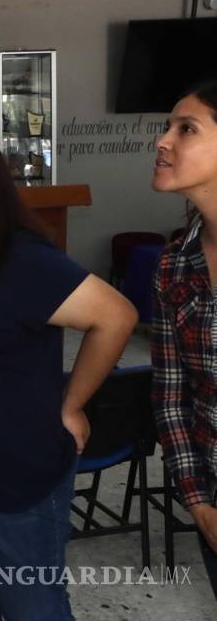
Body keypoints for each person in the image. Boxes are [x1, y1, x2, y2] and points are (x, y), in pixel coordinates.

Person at [0, 128, 137, 621]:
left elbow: (116, 316)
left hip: (16, 478)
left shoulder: (18, 258)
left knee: (33, 607)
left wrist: (71, 402)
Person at [150, 80, 217, 599]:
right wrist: (197, 501)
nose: (163, 141)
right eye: (168, 126)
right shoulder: (175, 264)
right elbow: (173, 395)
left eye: (186, 128)